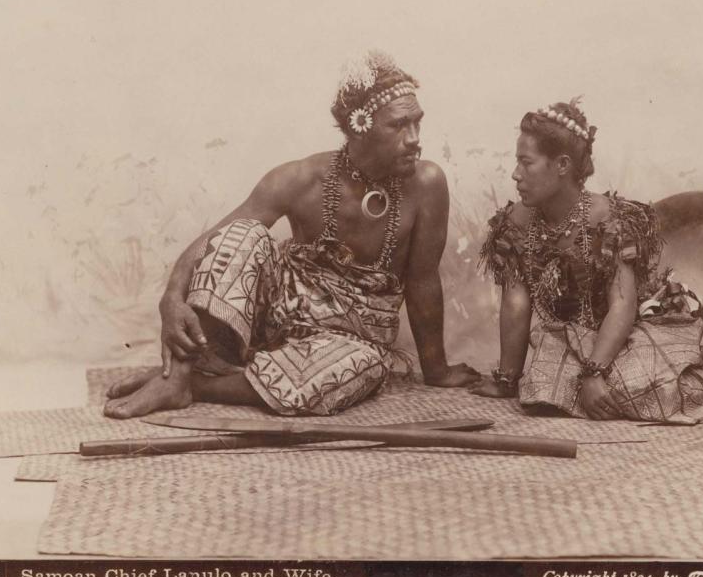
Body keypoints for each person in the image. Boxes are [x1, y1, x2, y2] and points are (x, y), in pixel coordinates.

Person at [104, 50, 479, 419]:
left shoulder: (426, 184)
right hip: (278, 323)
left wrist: (437, 370)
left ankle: (189, 384)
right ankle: (184, 373)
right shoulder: (300, 178)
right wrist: (171, 298)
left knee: (358, 368)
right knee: (241, 234)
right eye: (398, 125)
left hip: (351, 342)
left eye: (417, 122)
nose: (414, 138)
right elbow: (211, 242)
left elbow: (423, 280)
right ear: (358, 128)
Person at [471, 98, 703, 423]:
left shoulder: (609, 221)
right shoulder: (516, 223)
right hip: (567, 338)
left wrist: (595, 373)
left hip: (625, 329)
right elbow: (516, 303)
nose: (515, 174)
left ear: (562, 166)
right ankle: (672, 381)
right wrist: (507, 379)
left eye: (526, 163)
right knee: (544, 389)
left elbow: (622, 304)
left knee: (637, 374)